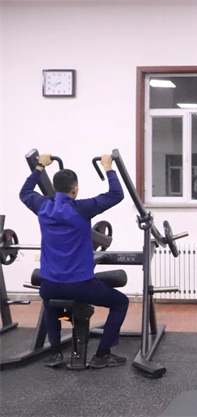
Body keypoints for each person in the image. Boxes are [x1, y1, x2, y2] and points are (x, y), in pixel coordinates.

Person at [20, 153, 129, 368]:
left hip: (49, 285)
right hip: (81, 287)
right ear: (75, 190)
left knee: (50, 304)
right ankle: (102, 354)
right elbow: (116, 194)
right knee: (120, 302)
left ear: (53, 186)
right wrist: (108, 167)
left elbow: (24, 192)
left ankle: (56, 353)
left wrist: (40, 166)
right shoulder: (82, 208)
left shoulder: (41, 206)